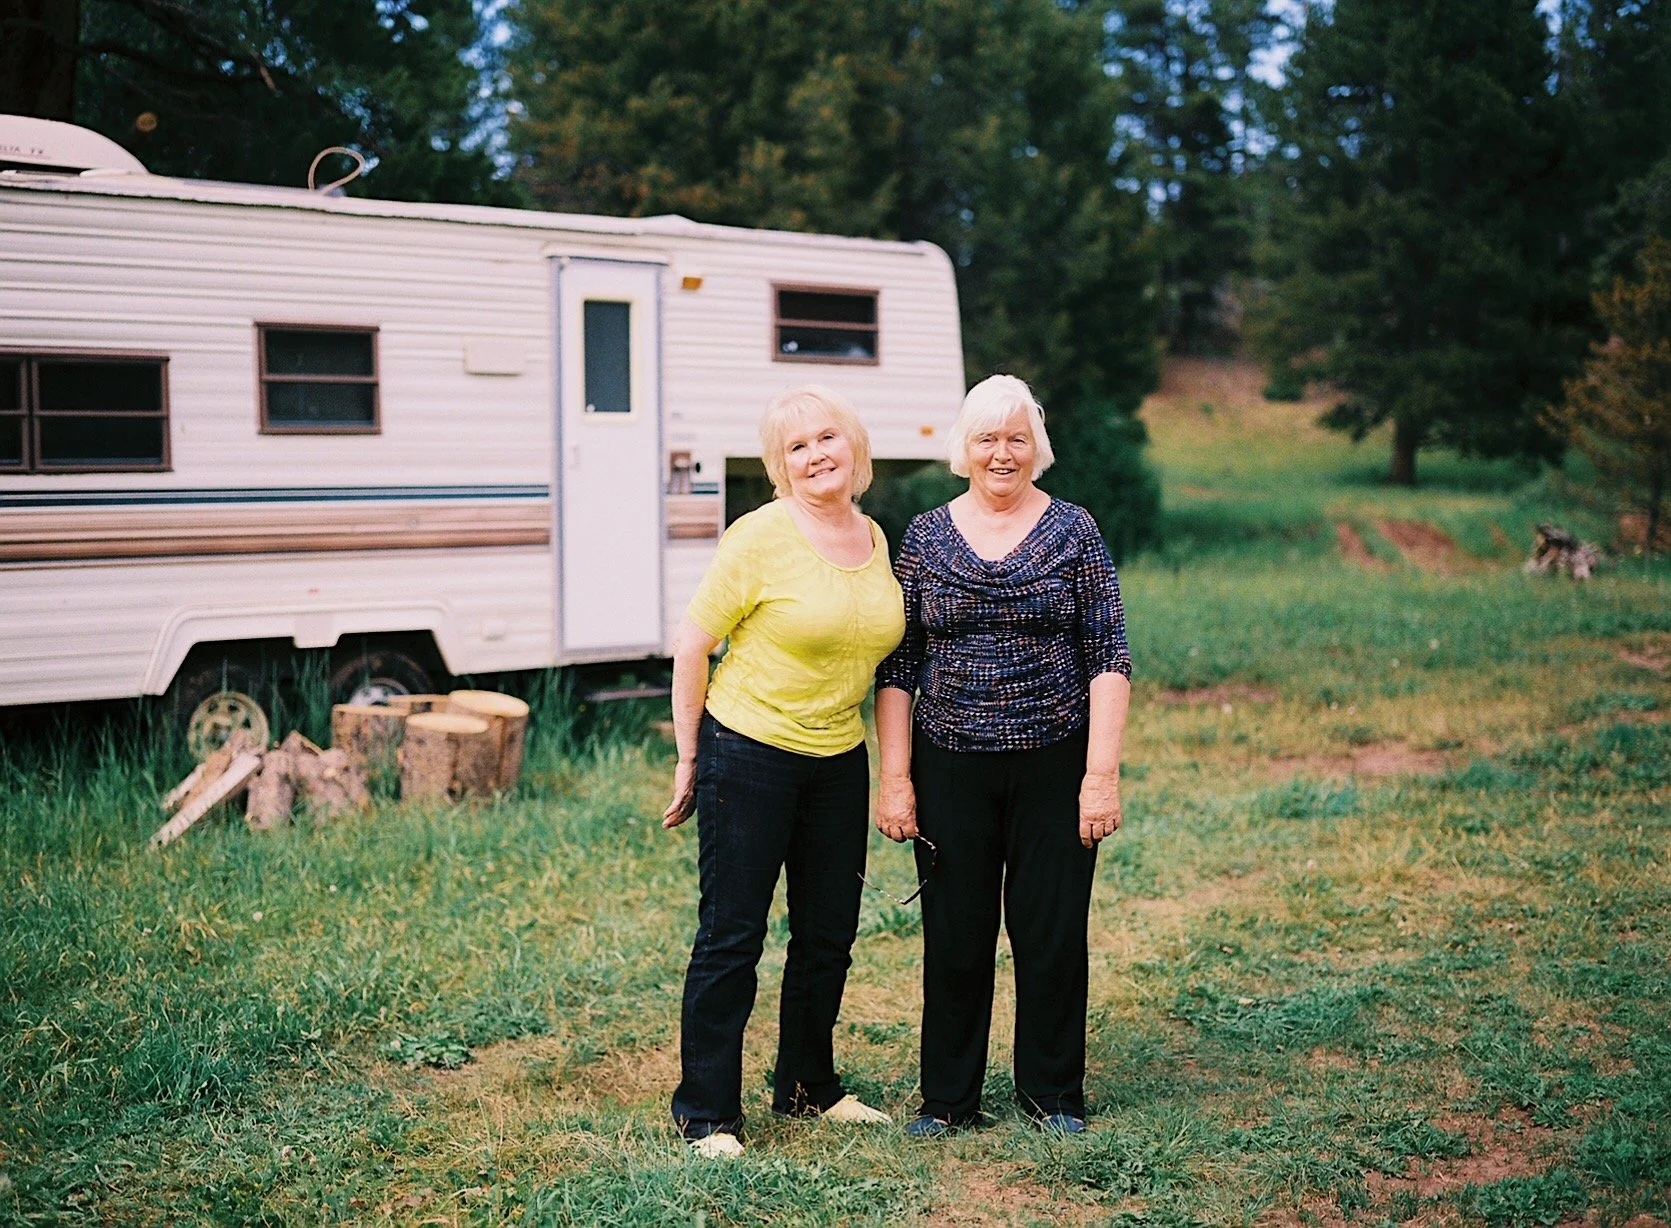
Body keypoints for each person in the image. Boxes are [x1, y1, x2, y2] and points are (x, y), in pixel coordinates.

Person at [873, 373, 1132, 1137]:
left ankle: (1052, 1094)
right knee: (955, 934)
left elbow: (1109, 655)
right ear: (964, 447)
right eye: (987, 438)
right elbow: (897, 667)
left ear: (1036, 447)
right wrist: (893, 780)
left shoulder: (1073, 530)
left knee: (1050, 932)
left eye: (1016, 437)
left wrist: (1099, 776)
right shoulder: (923, 535)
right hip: (948, 761)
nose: (1001, 453)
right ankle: (946, 1101)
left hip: (1055, 759)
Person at [662, 385, 904, 1158]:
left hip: (837, 758)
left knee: (827, 935)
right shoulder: (759, 536)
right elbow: (693, 645)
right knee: (732, 936)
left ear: (854, 447)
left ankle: (807, 1087)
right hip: (750, 751)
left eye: (826, 438)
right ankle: (705, 1113)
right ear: (779, 466)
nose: (815, 456)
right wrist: (689, 754)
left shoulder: (874, 536)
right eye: (795, 447)